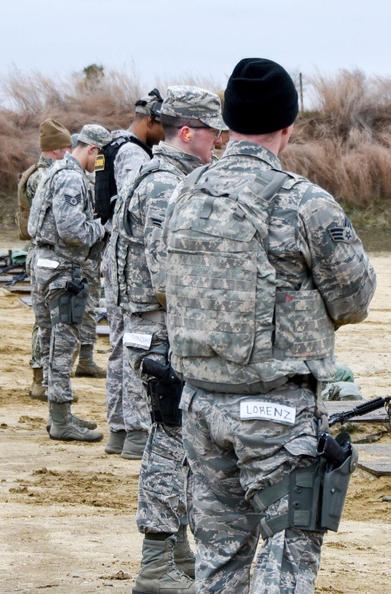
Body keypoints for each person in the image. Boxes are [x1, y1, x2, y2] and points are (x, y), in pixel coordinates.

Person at [160, 58, 377, 593]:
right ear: (288, 126)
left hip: (199, 404)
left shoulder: (185, 193)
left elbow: (164, 282)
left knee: (218, 557)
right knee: (287, 552)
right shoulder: (303, 202)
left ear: (228, 123)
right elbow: (355, 298)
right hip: (273, 410)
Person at [116, 85, 226, 594]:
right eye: (212, 133)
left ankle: (175, 551)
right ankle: (156, 565)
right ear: (188, 132)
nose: (218, 144)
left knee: (176, 444)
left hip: (152, 330)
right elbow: (167, 278)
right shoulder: (164, 186)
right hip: (163, 334)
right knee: (169, 445)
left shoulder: (152, 175)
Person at [27, 124, 113, 442]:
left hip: (44, 262)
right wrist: (101, 228)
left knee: (52, 342)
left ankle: (58, 414)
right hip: (62, 269)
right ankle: (61, 420)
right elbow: (73, 231)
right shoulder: (72, 177)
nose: (100, 165)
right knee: (63, 345)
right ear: (92, 150)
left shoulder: (54, 170)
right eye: (100, 158)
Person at [99, 89, 165, 458]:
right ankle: (133, 431)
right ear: (150, 120)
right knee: (132, 344)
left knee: (123, 344)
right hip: (127, 260)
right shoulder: (131, 153)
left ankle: (121, 430)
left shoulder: (115, 146)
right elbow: (134, 210)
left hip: (119, 257)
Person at [18, 118, 76, 400]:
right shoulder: (44, 176)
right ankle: (40, 378)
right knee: (46, 321)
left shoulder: (46, 172)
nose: (69, 154)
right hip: (46, 255)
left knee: (49, 320)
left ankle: (46, 378)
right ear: (54, 150)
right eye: (66, 148)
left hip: (44, 255)